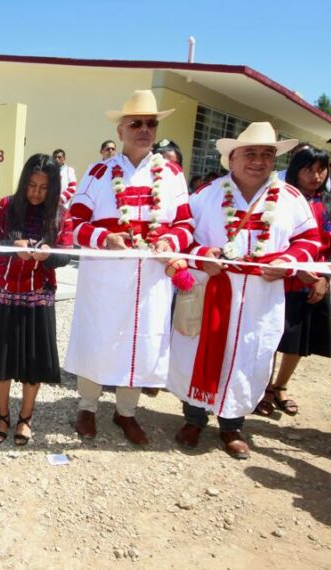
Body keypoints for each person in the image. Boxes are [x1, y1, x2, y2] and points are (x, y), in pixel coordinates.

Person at [167, 122, 320, 460]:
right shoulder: (206, 194)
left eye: (267, 154)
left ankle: (231, 426)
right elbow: (181, 233)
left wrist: (288, 261)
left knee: (249, 356)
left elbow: (310, 241)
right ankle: (193, 418)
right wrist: (202, 255)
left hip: (261, 296)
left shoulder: (291, 198)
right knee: (196, 351)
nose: (258, 161)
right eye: (249, 153)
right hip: (212, 290)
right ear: (231, 158)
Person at [65, 90, 194, 445]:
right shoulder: (98, 172)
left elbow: (186, 226)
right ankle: (87, 408)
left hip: (150, 278)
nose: (144, 130)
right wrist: (104, 238)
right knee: (98, 337)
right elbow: (72, 223)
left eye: (150, 123)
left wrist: (171, 242)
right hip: (105, 280)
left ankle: (126, 413)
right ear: (121, 130)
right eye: (135, 123)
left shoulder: (170, 174)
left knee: (143, 341)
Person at [0, 154, 71, 445]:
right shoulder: (5, 205)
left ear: (53, 188)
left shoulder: (59, 212)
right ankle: (2, 415)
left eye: (43, 188)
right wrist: (12, 246)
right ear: (23, 182)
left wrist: (48, 255)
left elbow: (67, 254)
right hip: (4, 292)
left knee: (33, 362)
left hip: (38, 296)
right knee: (1, 361)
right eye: (31, 186)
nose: (36, 193)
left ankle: (26, 417)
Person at [256, 147, 331, 417]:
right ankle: (261, 389)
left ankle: (280, 386)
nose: (315, 176)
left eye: (321, 169)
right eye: (308, 169)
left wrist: (324, 279)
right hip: (280, 280)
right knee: (271, 337)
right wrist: (292, 269)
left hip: (313, 283)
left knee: (297, 342)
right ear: (295, 170)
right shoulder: (277, 198)